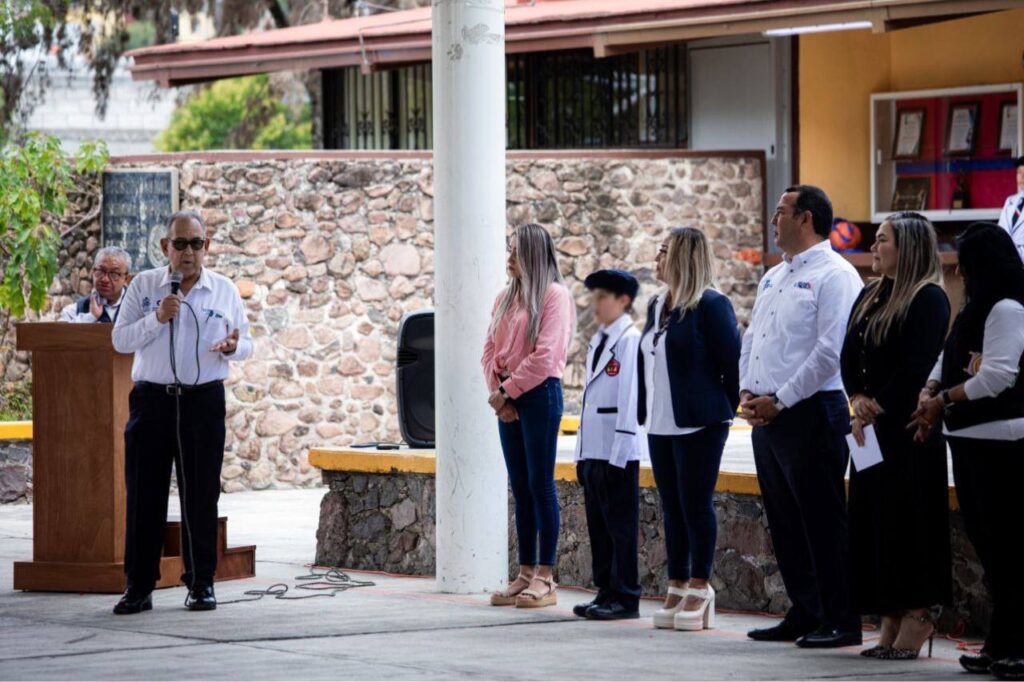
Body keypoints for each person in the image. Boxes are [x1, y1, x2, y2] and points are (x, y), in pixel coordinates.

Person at [111, 210, 252, 615]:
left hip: (203, 401)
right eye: (180, 244)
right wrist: (157, 318)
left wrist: (234, 347)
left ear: (206, 247)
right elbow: (120, 340)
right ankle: (138, 587)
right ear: (164, 247)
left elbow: (247, 342)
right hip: (153, 400)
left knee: (201, 495)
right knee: (144, 496)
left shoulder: (223, 289)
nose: (188, 252)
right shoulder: (144, 285)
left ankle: (202, 583)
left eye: (196, 244)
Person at [740, 185, 863, 648]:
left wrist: (783, 398)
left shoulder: (837, 275)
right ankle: (806, 610)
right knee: (785, 519)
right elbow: (753, 336)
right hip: (767, 413)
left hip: (811, 411)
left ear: (806, 218)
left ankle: (841, 618)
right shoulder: (774, 277)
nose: (773, 221)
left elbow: (831, 352)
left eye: (781, 213)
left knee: (822, 518)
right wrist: (747, 389)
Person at [909, 223, 1024, 680]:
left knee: (1011, 549)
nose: (957, 268)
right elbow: (949, 354)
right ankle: (1000, 642)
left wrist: (944, 401)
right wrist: (931, 388)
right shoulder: (975, 306)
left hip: (1004, 443)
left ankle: (1018, 645)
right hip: (972, 442)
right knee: (991, 550)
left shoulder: (1008, 307)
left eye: (964, 259)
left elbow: (998, 375)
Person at [840, 212, 952, 661]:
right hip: (868, 428)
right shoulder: (871, 293)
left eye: (882, 240)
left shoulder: (927, 298)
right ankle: (888, 612)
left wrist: (878, 405)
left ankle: (918, 612)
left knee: (908, 522)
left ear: (907, 247)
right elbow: (847, 351)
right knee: (874, 522)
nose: (874, 247)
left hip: (905, 430)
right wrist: (857, 398)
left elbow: (916, 364)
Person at [639, 228, 740, 632]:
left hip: (700, 422)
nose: (657, 258)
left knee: (696, 505)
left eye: (664, 251)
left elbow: (732, 364)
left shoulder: (712, 306)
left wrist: (725, 411)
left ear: (683, 257)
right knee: (671, 506)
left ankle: (701, 584)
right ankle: (677, 580)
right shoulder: (656, 305)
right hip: (660, 421)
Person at [482, 223, 575, 609]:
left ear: (533, 254)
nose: (509, 257)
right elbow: (488, 348)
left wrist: (507, 392)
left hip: (539, 396)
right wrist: (497, 394)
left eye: (516, 251)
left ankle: (545, 575)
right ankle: (523, 573)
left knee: (541, 485)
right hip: (507, 398)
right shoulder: (505, 297)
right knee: (519, 487)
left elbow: (547, 356)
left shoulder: (555, 296)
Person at [572, 269, 646, 621]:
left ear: (623, 301)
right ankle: (606, 589)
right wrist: (581, 454)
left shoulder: (629, 340)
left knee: (620, 526)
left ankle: (626, 595)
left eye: (603, 297)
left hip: (616, 451)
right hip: (593, 448)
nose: (595, 304)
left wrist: (621, 452)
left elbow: (630, 399)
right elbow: (588, 401)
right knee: (599, 525)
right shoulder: (598, 339)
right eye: (594, 297)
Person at [60, 246, 133, 323]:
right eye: (100, 271)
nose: (105, 279)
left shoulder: (138, 308)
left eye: (114, 274)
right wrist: (91, 317)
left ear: (126, 278)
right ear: (93, 271)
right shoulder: (75, 310)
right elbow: (60, 333)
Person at [996, 156, 1024, 261]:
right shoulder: (1010, 201)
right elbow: (1001, 231)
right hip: (1006, 263)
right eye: (1019, 172)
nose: (1022, 177)